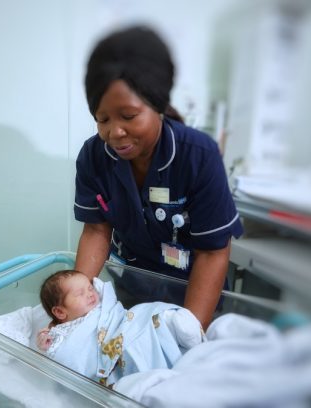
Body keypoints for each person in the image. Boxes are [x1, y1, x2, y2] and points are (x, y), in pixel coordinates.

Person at [73, 25, 243, 329]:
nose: (114, 132)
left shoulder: (197, 155)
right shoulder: (94, 156)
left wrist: (189, 332)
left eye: (128, 116)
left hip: (193, 296)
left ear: (158, 104)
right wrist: (73, 307)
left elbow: (213, 252)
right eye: (102, 119)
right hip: (131, 292)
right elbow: (97, 230)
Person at [36, 270, 203, 386]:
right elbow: (62, 355)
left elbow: (116, 310)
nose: (90, 293)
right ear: (59, 311)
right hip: (115, 348)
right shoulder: (62, 331)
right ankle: (169, 338)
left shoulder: (101, 303)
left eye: (90, 287)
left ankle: (170, 322)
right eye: (80, 293)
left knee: (142, 312)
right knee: (133, 350)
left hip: (122, 321)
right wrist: (46, 343)